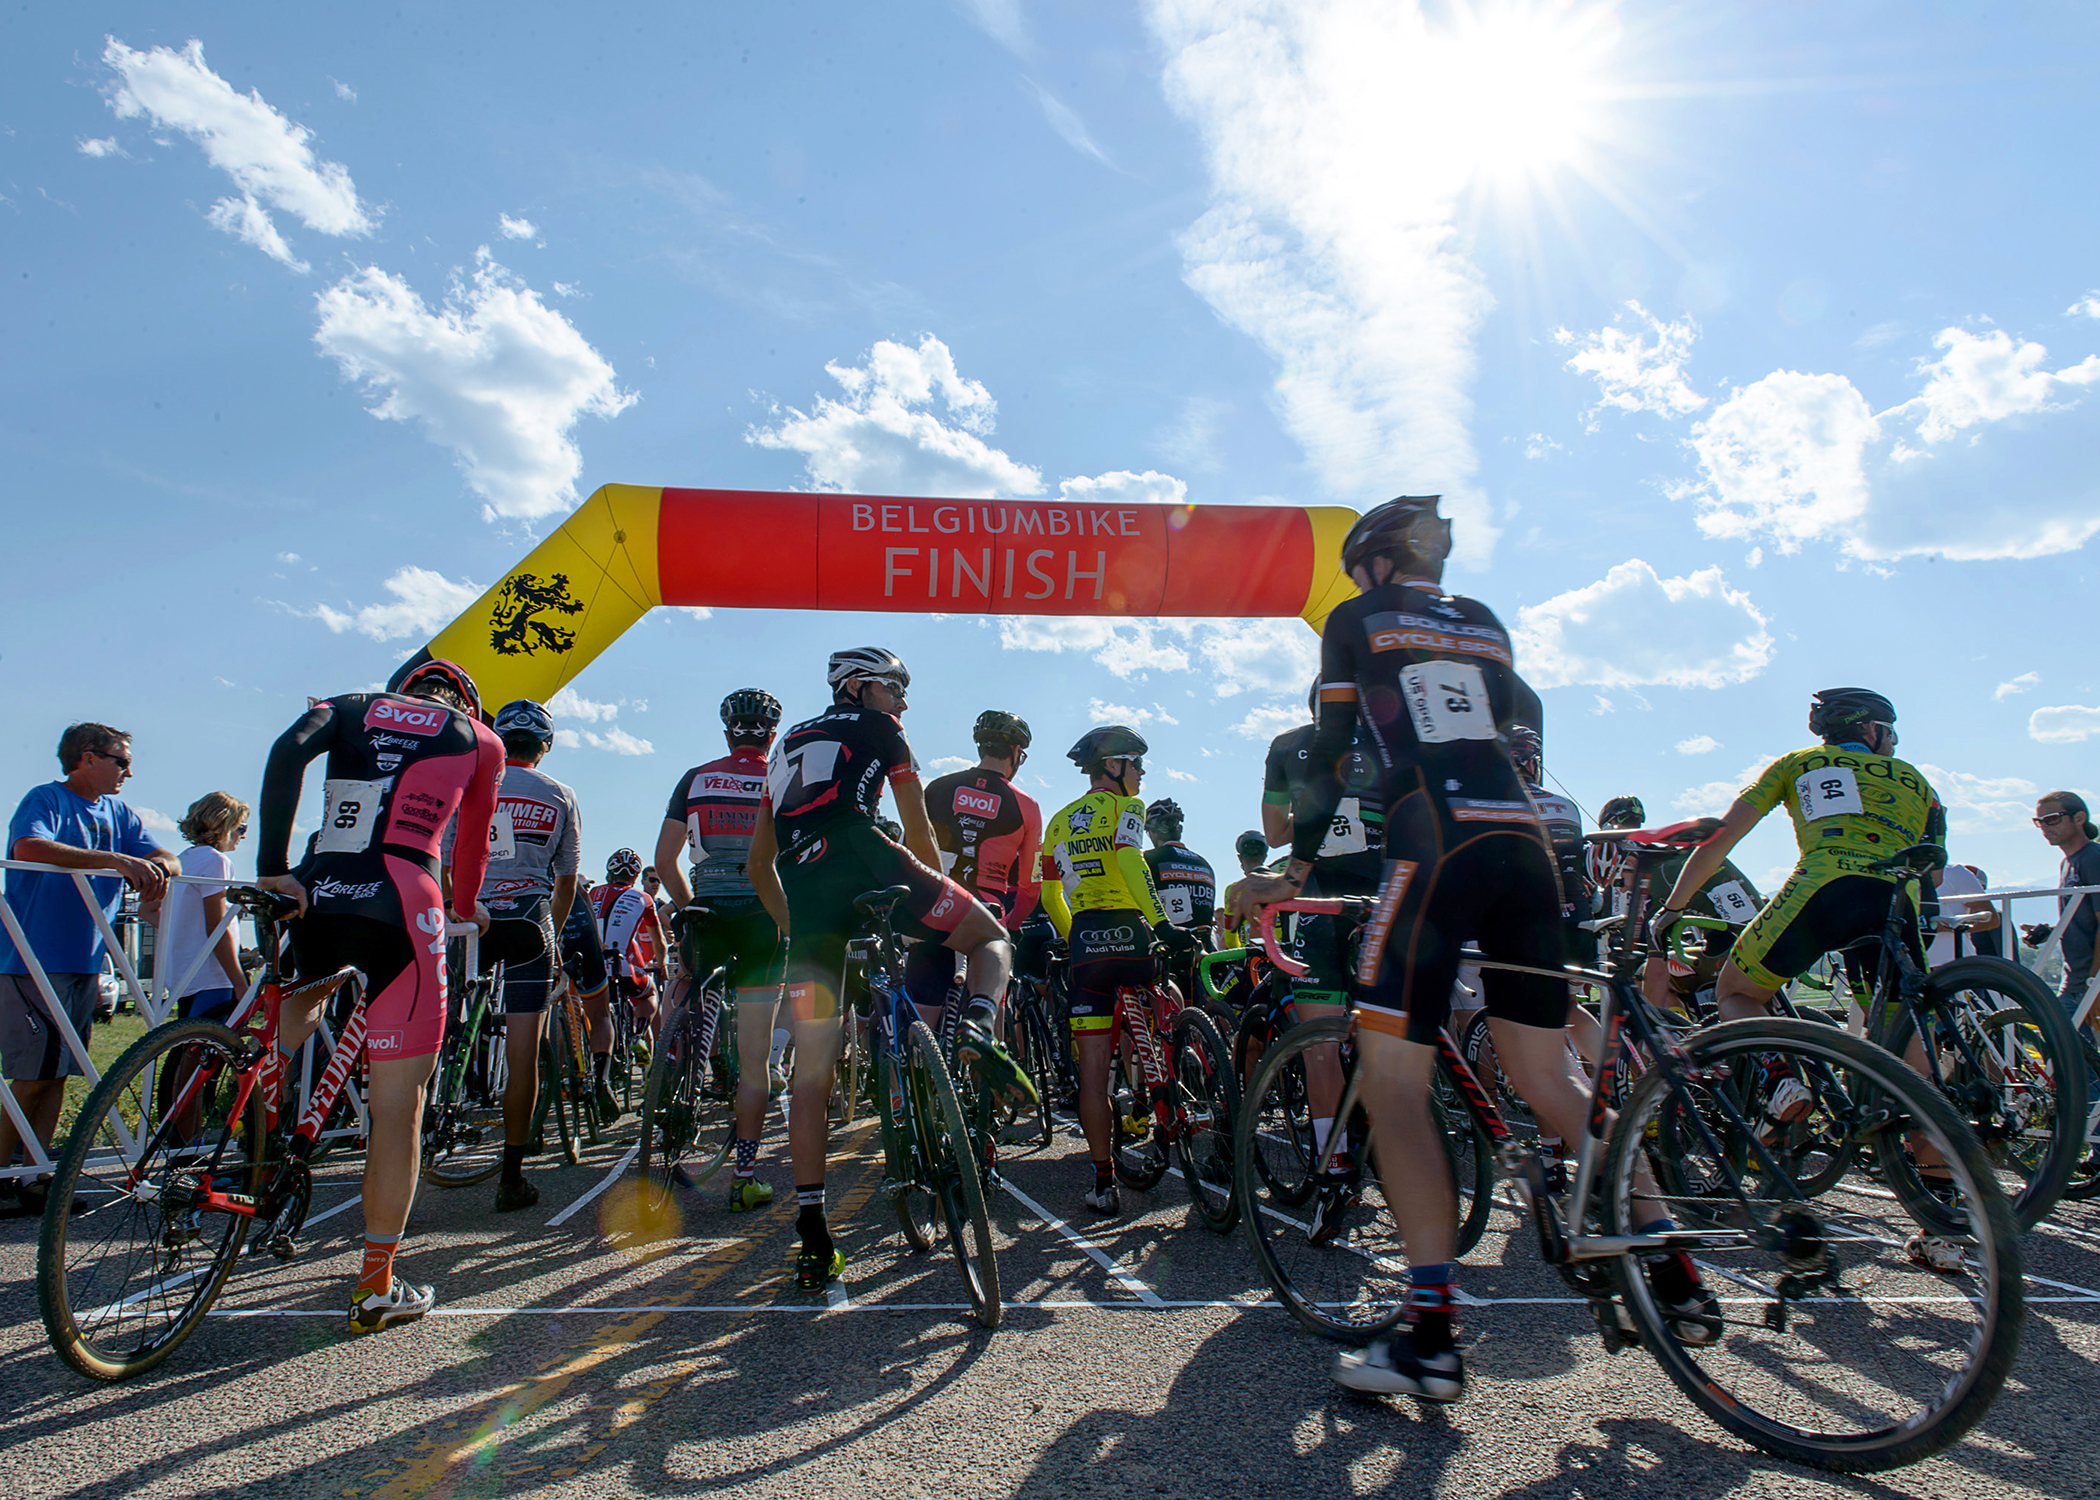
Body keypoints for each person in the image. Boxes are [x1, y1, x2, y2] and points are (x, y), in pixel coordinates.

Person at [1233, 494, 1715, 1402]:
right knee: (1552, 1078)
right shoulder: (1486, 624)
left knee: (1395, 1084)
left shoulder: (1355, 617)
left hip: (1437, 840)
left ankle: (1430, 1335)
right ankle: (1676, 1268)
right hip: (1523, 846)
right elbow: (1500, 735)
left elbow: (1336, 750)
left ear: (1372, 561)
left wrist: (1293, 870)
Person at [745, 648, 1030, 1292]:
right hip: (868, 857)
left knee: (812, 1075)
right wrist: (939, 892)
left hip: (808, 897)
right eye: (895, 687)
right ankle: (981, 1029)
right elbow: (918, 829)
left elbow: (759, 866)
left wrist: (798, 930)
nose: (903, 701)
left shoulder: (784, 744)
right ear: (859, 687)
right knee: (989, 938)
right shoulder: (884, 730)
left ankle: (814, 1234)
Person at [253, 658, 502, 1333]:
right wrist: (468, 906)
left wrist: (271, 867)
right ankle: (375, 1285)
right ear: (466, 701)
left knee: (279, 1029)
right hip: (403, 899)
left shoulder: (349, 703)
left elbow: (286, 751)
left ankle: (245, 1132)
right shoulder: (478, 738)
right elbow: (472, 841)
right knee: (398, 1108)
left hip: (317, 885)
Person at [1, 724, 178, 1213]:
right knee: (31, 1074)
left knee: (57, 1072)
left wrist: (158, 867)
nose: (128, 771)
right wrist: (116, 860)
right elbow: (28, 848)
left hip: (84, 958)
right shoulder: (47, 799)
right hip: (34, 956)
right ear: (86, 758)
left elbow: (165, 855)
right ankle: (4, 1173)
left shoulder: (118, 813)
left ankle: (37, 1178)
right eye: (120, 760)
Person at [1039, 724, 1188, 1215]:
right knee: (1168, 1002)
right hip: (1130, 932)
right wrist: (1161, 921)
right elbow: (1130, 863)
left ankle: (1103, 1182)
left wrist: (1069, 936)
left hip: (1085, 944)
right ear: (1114, 766)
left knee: (1094, 1073)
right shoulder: (1128, 808)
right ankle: (1168, 1089)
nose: (1143, 772)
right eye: (1136, 762)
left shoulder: (1057, 823)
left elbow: (1048, 895)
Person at [654, 688, 791, 1211]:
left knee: (686, 997)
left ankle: (673, 1067)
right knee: (755, 1060)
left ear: (728, 730)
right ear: (772, 733)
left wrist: (692, 906)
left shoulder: (695, 778)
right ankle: (746, 1176)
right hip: (762, 917)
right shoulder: (778, 779)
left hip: (706, 911)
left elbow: (666, 862)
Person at [1261, 684, 1387, 1236]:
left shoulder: (1288, 745)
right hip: (1386, 898)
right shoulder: (1391, 743)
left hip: (1315, 897)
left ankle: (1334, 1170)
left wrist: (1311, 819)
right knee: (1393, 1037)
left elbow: (1274, 834)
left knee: (1320, 1047)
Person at [453, 700, 582, 1213]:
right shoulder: (560, 794)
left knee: (441, 1027)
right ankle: (511, 1174)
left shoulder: (472, 783)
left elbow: (443, 858)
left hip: (471, 916)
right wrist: (551, 920)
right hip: (530, 919)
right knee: (523, 1048)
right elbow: (568, 876)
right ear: (544, 747)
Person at [156, 792, 252, 1022]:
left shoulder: (182, 859)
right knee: (205, 1048)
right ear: (225, 826)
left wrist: (183, 928)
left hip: (181, 971)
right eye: (241, 828)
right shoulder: (217, 861)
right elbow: (218, 928)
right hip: (211, 973)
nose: (243, 836)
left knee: (185, 1045)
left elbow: (147, 911)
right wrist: (239, 982)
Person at [588, 848, 663, 1120]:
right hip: (622, 964)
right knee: (649, 993)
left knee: (594, 1015)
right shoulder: (643, 898)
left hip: (590, 965)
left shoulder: (592, 892)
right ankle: (638, 1036)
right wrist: (662, 963)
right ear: (635, 878)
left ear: (608, 873)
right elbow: (659, 942)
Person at [2021, 791, 2100, 1032]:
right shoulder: (2067, 862)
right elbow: (2085, 919)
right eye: (2040, 821)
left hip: (2086, 983)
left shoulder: (2093, 859)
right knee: (2066, 1061)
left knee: (2067, 1061)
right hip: (2074, 980)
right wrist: (2051, 932)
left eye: (2052, 818)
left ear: (2079, 818)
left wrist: (2093, 985)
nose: (2044, 827)